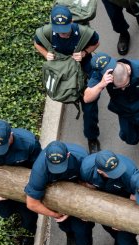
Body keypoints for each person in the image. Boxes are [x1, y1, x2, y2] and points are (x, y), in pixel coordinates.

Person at [33, 5, 101, 153]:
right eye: (59, 31)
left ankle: (92, 137)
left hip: (83, 67)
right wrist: (46, 54)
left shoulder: (82, 32)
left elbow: (96, 42)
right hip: (64, 69)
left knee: (89, 105)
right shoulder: (47, 31)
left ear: (71, 22)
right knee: (67, 92)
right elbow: (37, 42)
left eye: (65, 30)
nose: (62, 34)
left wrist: (84, 53)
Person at [83, 56, 139, 170]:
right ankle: (138, 133)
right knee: (130, 138)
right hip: (124, 110)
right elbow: (87, 98)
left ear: (129, 72)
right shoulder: (104, 73)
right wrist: (101, 84)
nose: (123, 89)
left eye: (125, 85)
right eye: (119, 87)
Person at [24, 141, 96, 245]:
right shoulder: (39, 169)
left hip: (78, 195)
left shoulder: (81, 157)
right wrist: (55, 214)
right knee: (64, 223)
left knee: (83, 228)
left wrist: (86, 209)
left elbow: (90, 184)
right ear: (46, 157)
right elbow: (31, 203)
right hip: (56, 199)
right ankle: (70, 235)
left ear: (68, 155)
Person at [79, 150, 139, 245]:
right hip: (103, 205)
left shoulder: (128, 172)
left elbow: (137, 200)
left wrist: (124, 220)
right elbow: (82, 186)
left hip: (125, 205)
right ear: (99, 170)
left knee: (126, 240)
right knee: (109, 229)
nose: (116, 174)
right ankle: (114, 241)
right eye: (111, 173)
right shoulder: (86, 168)